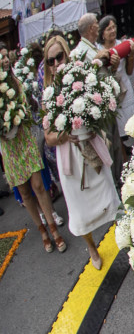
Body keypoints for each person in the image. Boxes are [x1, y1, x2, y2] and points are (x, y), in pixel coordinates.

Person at [42, 36, 120, 270]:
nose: (56, 63)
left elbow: (101, 103)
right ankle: (91, 248)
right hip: (71, 159)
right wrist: (66, 132)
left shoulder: (84, 77)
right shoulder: (48, 94)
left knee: (109, 195)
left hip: (91, 148)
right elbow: (48, 137)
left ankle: (125, 237)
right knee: (80, 210)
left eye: (59, 57)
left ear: (67, 54)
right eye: (50, 60)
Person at [2, 49, 65, 254]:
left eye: (4, 57)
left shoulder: (16, 82)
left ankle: (53, 227)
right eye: (0, 58)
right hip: (8, 146)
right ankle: (42, 230)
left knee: (38, 185)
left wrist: (18, 118)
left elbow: (27, 107)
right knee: (24, 191)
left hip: (24, 137)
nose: (3, 60)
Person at [98, 16, 134, 144]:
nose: (112, 30)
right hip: (111, 92)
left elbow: (129, 71)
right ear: (102, 33)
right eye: (109, 28)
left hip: (125, 88)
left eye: (114, 27)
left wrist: (131, 55)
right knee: (119, 132)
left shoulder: (121, 44)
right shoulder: (99, 50)